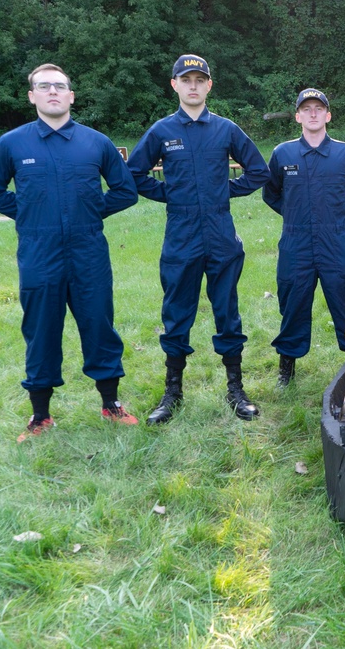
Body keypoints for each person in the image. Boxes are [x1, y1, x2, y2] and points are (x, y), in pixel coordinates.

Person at [0, 63, 139, 442]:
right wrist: (28, 212)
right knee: (40, 331)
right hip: (39, 254)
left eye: (60, 86)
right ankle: (40, 415)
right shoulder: (13, 144)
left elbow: (125, 190)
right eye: (43, 86)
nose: (52, 92)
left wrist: (92, 211)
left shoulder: (95, 142)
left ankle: (111, 405)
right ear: (32, 95)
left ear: (71, 96)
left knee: (99, 326)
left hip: (88, 253)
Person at [127, 54, 270, 424]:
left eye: (199, 80)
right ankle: (172, 391)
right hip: (181, 234)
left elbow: (258, 170)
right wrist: (169, 195)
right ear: (174, 85)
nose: (193, 86)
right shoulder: (161, 131)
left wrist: (225, 192)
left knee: (227, 310)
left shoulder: (225, 129)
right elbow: (135, 174)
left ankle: (235, 389)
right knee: (176, 313)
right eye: (185, 79)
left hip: (221, 233)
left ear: (209, 86)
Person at [263, 88, 345, 388]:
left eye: (318, 108)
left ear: (328, 115)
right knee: (292, 303)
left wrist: (340, 215)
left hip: (337, 243)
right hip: (295, 243)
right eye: (306, 109)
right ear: (298, 116)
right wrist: (294, 215)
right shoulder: (282, 153)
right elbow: (271, 194)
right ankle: (286, 367)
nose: (312, 113)